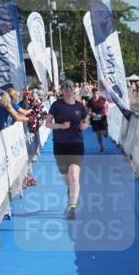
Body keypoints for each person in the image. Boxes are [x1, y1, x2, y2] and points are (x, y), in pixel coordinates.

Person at [45, 79, 90, 220]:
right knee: (67, 179)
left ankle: (72, 208)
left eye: (70, 87)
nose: (68, 89)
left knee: (74, 176)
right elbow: (47, 124)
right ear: (62, 90)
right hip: (60, 146)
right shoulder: (56, 105)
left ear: (74, 90)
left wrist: (85, 125)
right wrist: (60, 126)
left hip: (76, 145)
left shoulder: (80, 107)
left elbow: (86, 120)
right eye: (65, 87)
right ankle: (70, 190)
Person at [86, 84, 110, 153]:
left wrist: (107, 112)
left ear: (98, 93)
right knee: (98, 134)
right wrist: (90, 114)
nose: (95, 94)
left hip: (103, 117)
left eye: (96, 93)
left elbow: (107, 104)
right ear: (92, 93)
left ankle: (105, 133)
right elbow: (87, 110)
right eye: (94, 93)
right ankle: (102, 147)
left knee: (105, 134)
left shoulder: (102, 98)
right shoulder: (90, 101)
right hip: (95, 118)